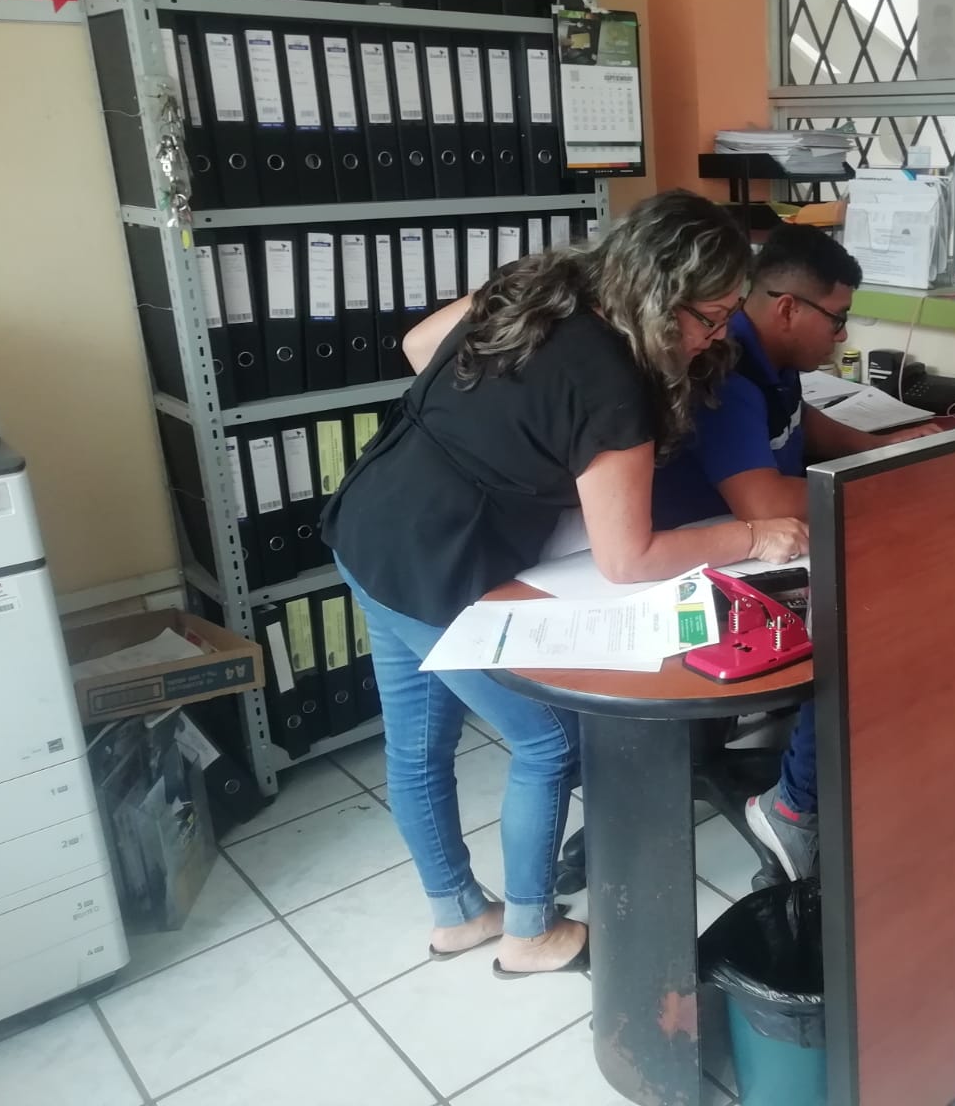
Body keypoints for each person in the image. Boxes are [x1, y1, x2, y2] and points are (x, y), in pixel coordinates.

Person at [321, 191, 808, 978]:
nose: (718, 338)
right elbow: (629, 560)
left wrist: (509, 432)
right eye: (711, 318)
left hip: (369, 522)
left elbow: (418, 347)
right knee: (546, 743)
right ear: (661, 292)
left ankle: (457, 914)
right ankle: (529, 932)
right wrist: (754, 535)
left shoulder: (542, 282)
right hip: (434, 562)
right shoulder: (613, 380)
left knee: (416, 743)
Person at [651, 224, 939, 881]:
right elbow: (762, 502)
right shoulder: (727, 366)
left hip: (761, 544)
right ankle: (794, 810)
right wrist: (886, 484)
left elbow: (797, 421)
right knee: (863, 614)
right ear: (787, 308)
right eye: (837, 319)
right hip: (707, 563)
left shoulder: (773, 358)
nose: (843, 335)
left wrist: (880, 450)